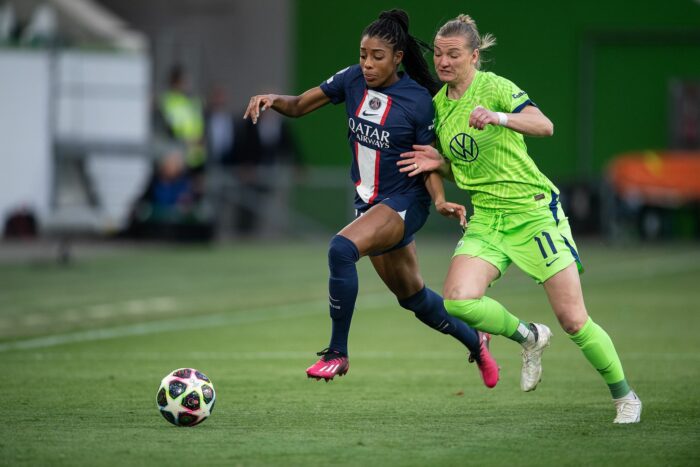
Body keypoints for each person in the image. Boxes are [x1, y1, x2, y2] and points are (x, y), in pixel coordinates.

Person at [399, 14, 642, 423]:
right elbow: (467, 167)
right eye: (438, 54)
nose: (443, 61)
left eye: (453, 54)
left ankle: (626, 397)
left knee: (573, 319)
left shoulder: (494, 87)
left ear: (474, 56)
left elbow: (545, 126)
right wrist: (439, 164)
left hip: (532, 213)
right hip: (487, 218)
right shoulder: (438, 107)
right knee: (458, 300)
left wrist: (499, 117)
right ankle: (528, 336)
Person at [244, 9, 499, 387]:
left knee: (341, 249)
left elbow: (427, 160)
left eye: (377, 56)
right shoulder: (351, 80)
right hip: (370, 205)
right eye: (363, 54)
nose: (367, 63)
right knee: (413, 298)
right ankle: (476, 342)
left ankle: (337, 353)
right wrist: (272, 99)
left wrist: (440, 200)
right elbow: (298, 105)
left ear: (397, 58)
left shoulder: (418, 100)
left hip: (406, 202)